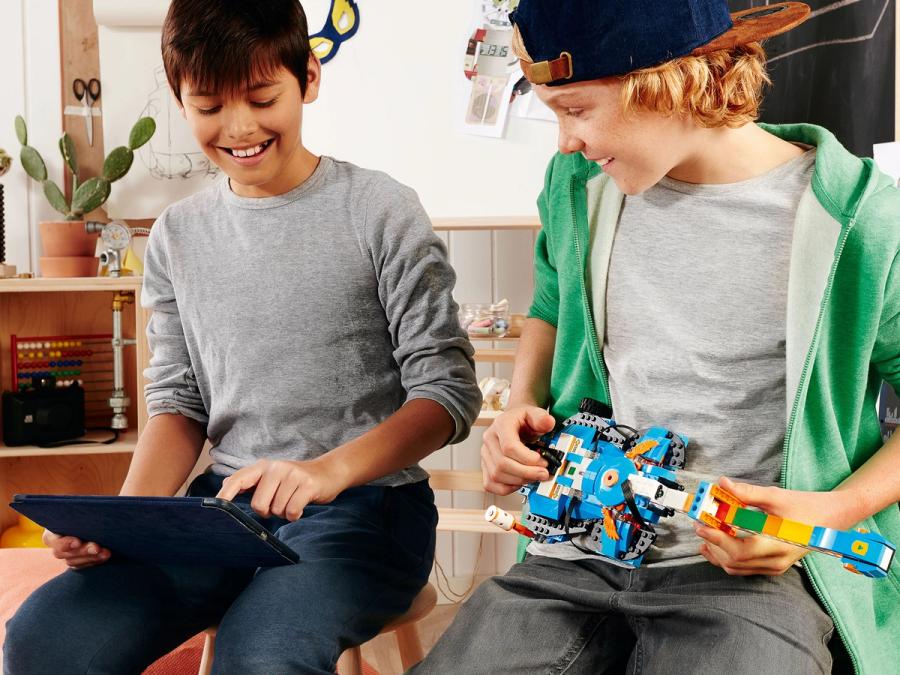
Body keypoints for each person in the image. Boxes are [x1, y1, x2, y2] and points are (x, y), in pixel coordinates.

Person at [415, 2, 899, 673]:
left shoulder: (863, 222)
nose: (564, 142)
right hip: (578, 549)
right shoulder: (577, 185)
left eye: (577, 110)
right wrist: (518, 402)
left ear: (669, 81)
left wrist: (830, 510)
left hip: (745, 574)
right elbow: (551, 302)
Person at [3, 1, 481, 673]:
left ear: (308, 77)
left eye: (262, 98)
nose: (240, 127)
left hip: (368, 512)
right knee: (45, 636)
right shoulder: (177, 235)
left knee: (261, 655)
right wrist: (121, 524)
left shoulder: (379, 210)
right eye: (207, 107)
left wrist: (324, 472)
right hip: (224, 514)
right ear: (179, 99)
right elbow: (178, 406)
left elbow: (447, 395)